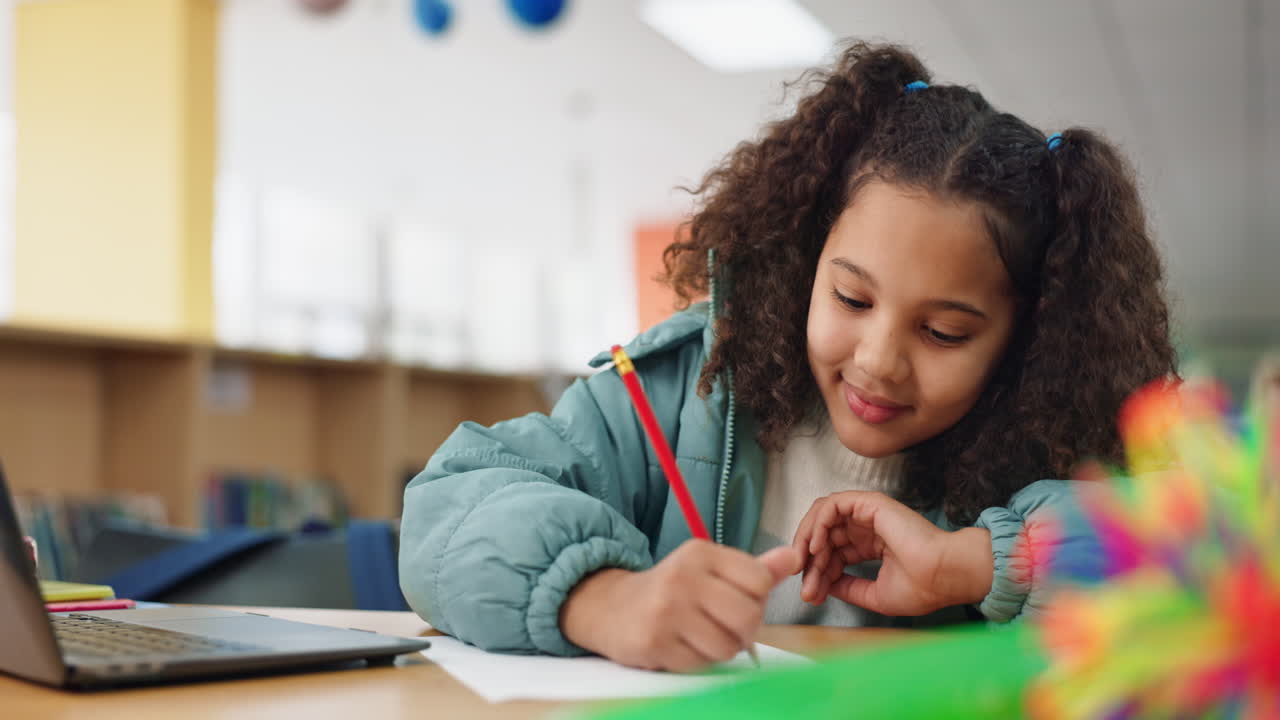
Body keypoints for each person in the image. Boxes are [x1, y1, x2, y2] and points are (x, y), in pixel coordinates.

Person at [398, 42, 1178, 672]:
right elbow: (447, 509)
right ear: (806, 262)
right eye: (852, 299)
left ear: (1026, 341)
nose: (879, 361)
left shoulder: (1049, 444)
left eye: (943, 333)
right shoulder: (678, 389)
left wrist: (979, 563)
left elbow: (1189, 572)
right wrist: (603, 601)